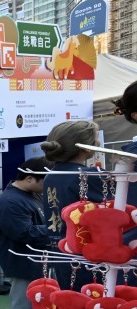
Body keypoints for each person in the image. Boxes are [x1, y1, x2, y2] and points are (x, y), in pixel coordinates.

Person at [0, 157, 52, 309]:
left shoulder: (31, 195)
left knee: (40, 306)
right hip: (22, 263)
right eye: (46, 181)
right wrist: (57, 229)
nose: (48, 185)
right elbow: (24, 233)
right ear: (29, 178)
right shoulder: (9, 202)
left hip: (37, 261)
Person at [40, 120, 102, 290]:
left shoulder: (51, 175)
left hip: (60, 251)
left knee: (71, 304)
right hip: (89, 254)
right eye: (96, 139)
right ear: (85, 147)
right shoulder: (89, 176)